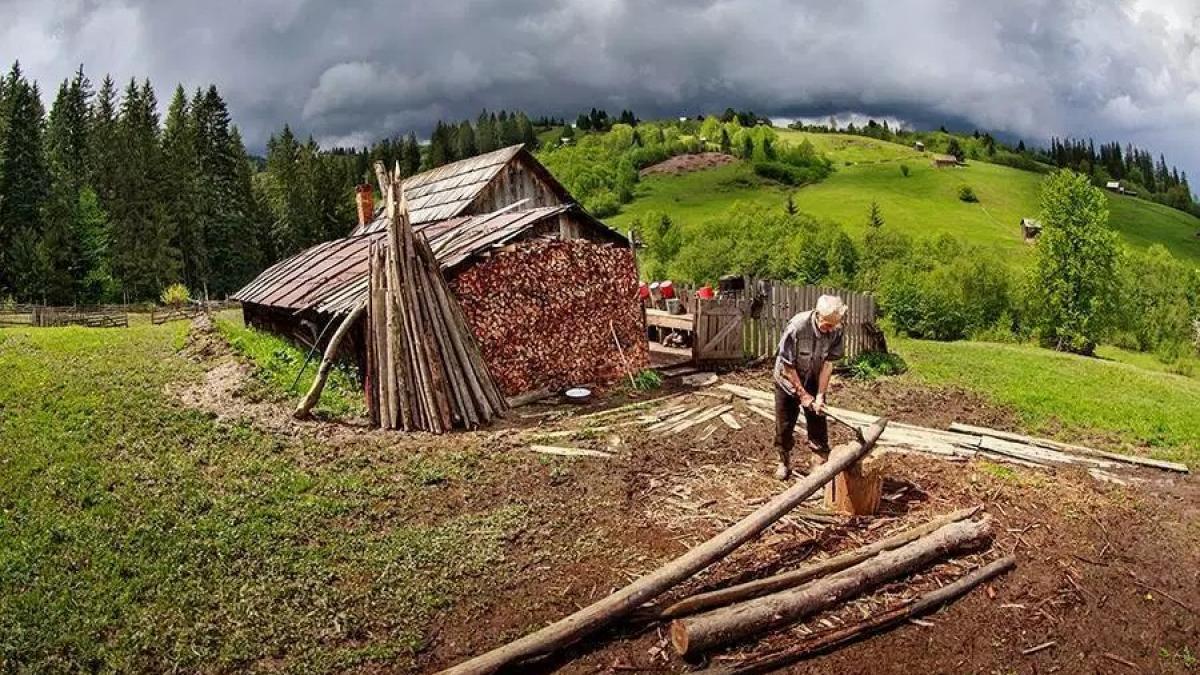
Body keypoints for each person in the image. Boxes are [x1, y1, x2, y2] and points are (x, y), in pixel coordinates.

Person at [772, 294, 847, 480]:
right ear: (817, 315)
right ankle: (783, 460)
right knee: (785, 424)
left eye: (834, 325)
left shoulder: (836, 330)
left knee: (818, 422)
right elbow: (787, 366)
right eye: (827, 325)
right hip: (788, 381)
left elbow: (828, 365)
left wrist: (820, 395)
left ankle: (818, 465)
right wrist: (803, 395)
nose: (830, 329)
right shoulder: (797, 327)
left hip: (813, 377)